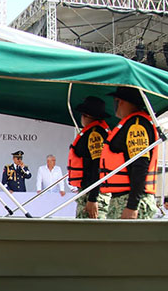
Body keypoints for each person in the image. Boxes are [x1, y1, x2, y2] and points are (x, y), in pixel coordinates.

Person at [100, 86, 159, 219]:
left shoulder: (136, 126)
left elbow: (140, 165)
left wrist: (132, 206)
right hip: (123, 199)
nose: (117, 104)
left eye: (118, 101)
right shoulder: (131, 123)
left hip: (129, 201)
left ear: (123, 101)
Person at [68, 96, 111, 219]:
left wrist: (93, 198)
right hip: (91, 191)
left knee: (90, 232)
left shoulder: (94, 134)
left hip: (94, 193)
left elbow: (98, 166)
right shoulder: (97, 131)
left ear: (86, 116)